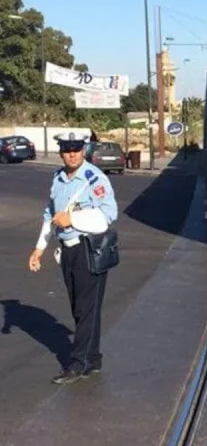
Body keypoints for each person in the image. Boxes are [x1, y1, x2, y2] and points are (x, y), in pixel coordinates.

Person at [27, 132, 118, 384]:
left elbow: (109, 214)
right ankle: (93, 358)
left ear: (83, 150)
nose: (72, 153)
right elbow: (50, 214)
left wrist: (74, 219)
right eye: (67, 149)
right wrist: (39, 248)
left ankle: (78, 363)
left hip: (88, 249)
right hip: (67, 251)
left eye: (76, 149)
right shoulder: (58, 178)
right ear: (61, 152)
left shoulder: (94, 178)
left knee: (86, 308)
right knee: (80, 307)